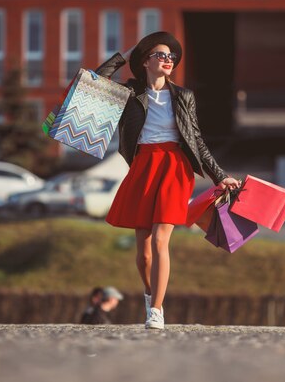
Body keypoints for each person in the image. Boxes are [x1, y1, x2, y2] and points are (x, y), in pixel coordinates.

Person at [93, 32, 240, 330]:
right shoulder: (131, 94)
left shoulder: (184, 96)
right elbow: (95, 82)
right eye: (161, 55)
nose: (168, 60)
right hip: (144, 166)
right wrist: (124, 55)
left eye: (171, 57)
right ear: (145, 61)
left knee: (161, 239)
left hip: (175, 167)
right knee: (143, 252)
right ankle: (150, 293)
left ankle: (156, 311)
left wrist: (220, 175)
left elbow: (196, 139)